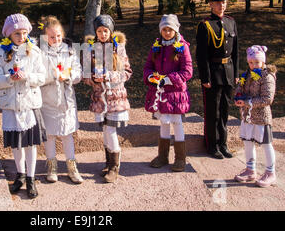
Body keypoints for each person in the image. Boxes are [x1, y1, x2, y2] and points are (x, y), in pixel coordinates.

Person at [0, 13, 47, 199]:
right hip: (11, 105)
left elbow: (42, 77)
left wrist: (27, 77)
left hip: (30, 104)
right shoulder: (1, 53)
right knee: (17, 145)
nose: (21, 37)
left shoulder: (35, 51)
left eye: (24, 33)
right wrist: (9, 79)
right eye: (17, 34)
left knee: (30, 144)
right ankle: (20, 174)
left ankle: (31, 177)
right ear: (9, 34)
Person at [83, 15, 132, 183]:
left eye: (105, 31)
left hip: (114, 97)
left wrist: (109, 75)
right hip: (99, 98)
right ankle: (108, 162)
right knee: (105, 131)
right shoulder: (90, 49)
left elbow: (126, 73)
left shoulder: (118, 48)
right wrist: (92, 79)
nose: (102, 34)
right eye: (99, 31)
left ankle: (114, 167)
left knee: (111, 130)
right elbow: (84, 75)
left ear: (110, 31)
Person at [143, 14, 193, 172]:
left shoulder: (182, 47)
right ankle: (162, 156)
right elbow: (148, 67)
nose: (166, 32)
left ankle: (180, 158)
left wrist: (168, 79)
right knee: (164, 122)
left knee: (177, 123)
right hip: (161, 93)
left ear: (175, 30)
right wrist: (151, 77)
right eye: (164, 29)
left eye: (169, 29)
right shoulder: (156, 46)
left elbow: (187, 71)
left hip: (176, 93)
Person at [38, 16, 84, 184]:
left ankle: (72, 167)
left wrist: (68, 75)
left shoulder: (70, 50)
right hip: (48, 99)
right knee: (50, 134)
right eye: (51, 37)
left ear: (62, 34)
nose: (55, 39)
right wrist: (52, 76)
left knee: (67, 134)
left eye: (58, 35)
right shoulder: (40, 52)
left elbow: (78, 72)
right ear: (45, 37)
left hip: (66, 100)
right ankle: (52, 165)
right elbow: (38, 76)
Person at [196, 0, 239, 159]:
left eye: (224, 2)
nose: (222, 5)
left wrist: (236, 74)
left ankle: (223, 143)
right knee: (212, 112)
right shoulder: (205, 25)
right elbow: (202, 55)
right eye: (218, 2)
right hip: (213, 74)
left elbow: (236, 51)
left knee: (225, 110)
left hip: (228, 72)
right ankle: (212, 145)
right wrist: (205, 77)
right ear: (211, 5)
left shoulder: (231, 22)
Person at [234, 45, 277, 187]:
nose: (253, 65)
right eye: (251, 62)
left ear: (263, 62)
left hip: (262, 118)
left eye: (257, 62)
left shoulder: (267, 76)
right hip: (247, 116)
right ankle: (250, 169)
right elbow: (240, 89)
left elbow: (267, 99)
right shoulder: (246, 75)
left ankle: (270, 172)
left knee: (266, 144)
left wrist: (246, 102)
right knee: (248, 142)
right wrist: (238, 95)